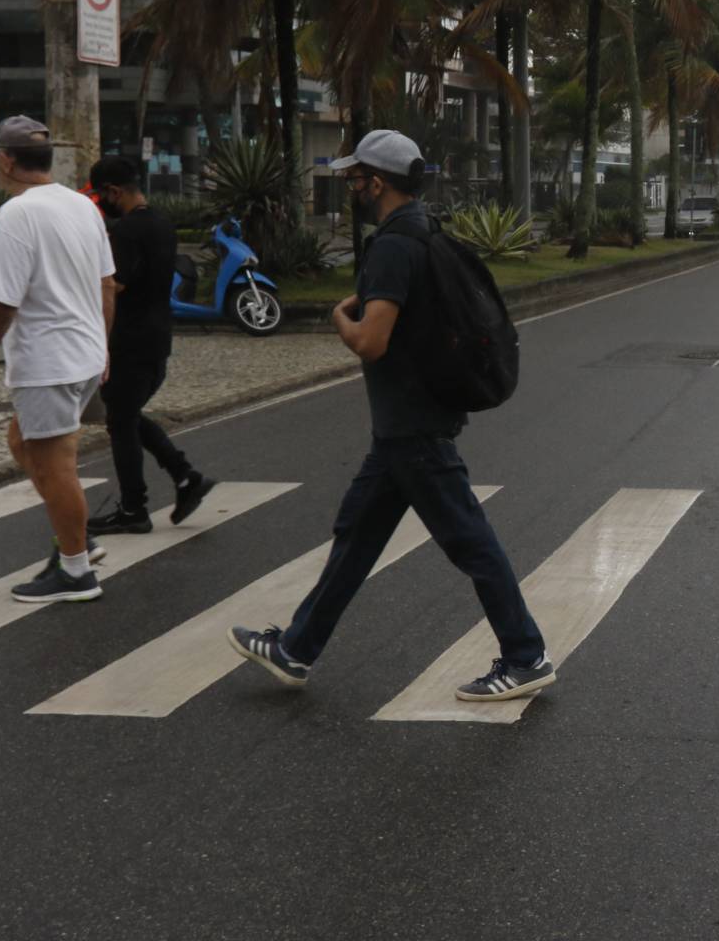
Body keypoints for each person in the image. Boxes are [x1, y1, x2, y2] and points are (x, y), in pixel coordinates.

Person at [229, 130, 553, 702]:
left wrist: (338, 317)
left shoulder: (392, 247)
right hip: (407, 426)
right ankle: (297, 649)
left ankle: (526, 655)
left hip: (413, 427)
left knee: (472, 544)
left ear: (377, 182)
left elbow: (372, 341)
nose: (351, 185)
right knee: (355, 538)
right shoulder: (425, 232)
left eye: (356, 177)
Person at [0, 117, 116, 602]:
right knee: (21, 439)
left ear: (6, 160)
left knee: (55, 466)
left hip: (50, 361)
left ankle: (75, 571)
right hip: (84, 354)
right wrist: (103, 344)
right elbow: (106, 284)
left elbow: (1, 302)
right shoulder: (81, 205)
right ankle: (78, 538)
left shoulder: (17, 213)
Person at [83, 157, 216, 535]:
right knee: (125, 415)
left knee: (121, 420)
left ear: (112, 191)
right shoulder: (161, 223)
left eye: (99, 194)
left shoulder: (125, 232)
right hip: (158, 336)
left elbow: (115, 285)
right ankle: (184, 476)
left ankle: (134, 508)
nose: (99, 202)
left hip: (128, 339)